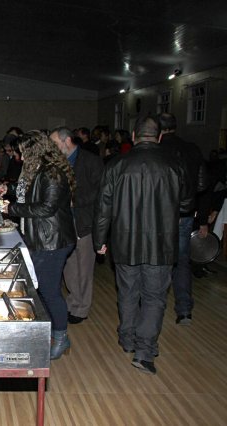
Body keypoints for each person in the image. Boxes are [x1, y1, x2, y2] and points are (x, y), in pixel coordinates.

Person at [93, 115, 189, 375]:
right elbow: (187, 203)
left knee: (128, 292)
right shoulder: (174, 165)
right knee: (154, 297)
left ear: (134, 136)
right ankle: (144, 352)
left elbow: (103, 208)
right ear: (159, 136)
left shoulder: (116, 164)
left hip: (125, 242)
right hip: (161, 244)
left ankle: (127, 338)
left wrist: (99, 240)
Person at [0, 130, 76, 359]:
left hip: (52, 241)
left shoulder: (52, 172)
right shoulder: (39, 168)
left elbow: (46, 207)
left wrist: (10, 208)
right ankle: (49, 331)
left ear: (35, 151)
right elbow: (30, 194)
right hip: (41, 238)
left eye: (24, 153)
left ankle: (61, 338)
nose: (21, 157)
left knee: (50, 292)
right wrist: (9, 190)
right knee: (41, 290)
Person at [158, 112, 209, 325]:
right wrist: (201, 217)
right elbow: (202, 185)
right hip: (185, 214)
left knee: (158, 261)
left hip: (160, 215)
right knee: (182, 261)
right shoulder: (192, 148)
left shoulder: (157, 151)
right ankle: (185, 310)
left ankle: (154, 308)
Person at [50, 127, 104, 324]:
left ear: (67, 141)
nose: (53, 147)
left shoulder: (91, 160)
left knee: (84, 266)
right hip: (64, 221)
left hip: (83, 220)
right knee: (69, 265)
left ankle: (81, 308)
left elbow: (101, 191)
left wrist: (75, 201)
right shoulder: (58, 161)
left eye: (55, 143)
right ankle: (73, 301)